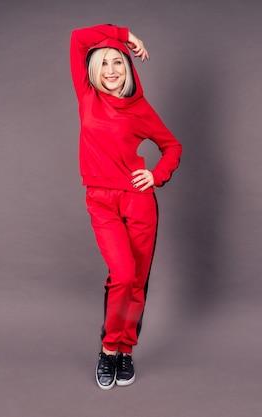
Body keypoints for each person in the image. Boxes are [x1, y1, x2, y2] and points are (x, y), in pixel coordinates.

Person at [69, 24, 182, 390]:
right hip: (101, 201)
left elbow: (172, 147)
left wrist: (156, 175)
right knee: (122, 273)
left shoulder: (140, 108)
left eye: (118, 62)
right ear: (93, 71)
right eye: (104, 64)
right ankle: (107, 348)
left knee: (137, 282)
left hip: (138, 201)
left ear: (129, 68)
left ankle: (125, 350)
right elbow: (78, 38)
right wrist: (126, 36)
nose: (112, 70)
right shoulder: (87, 95)